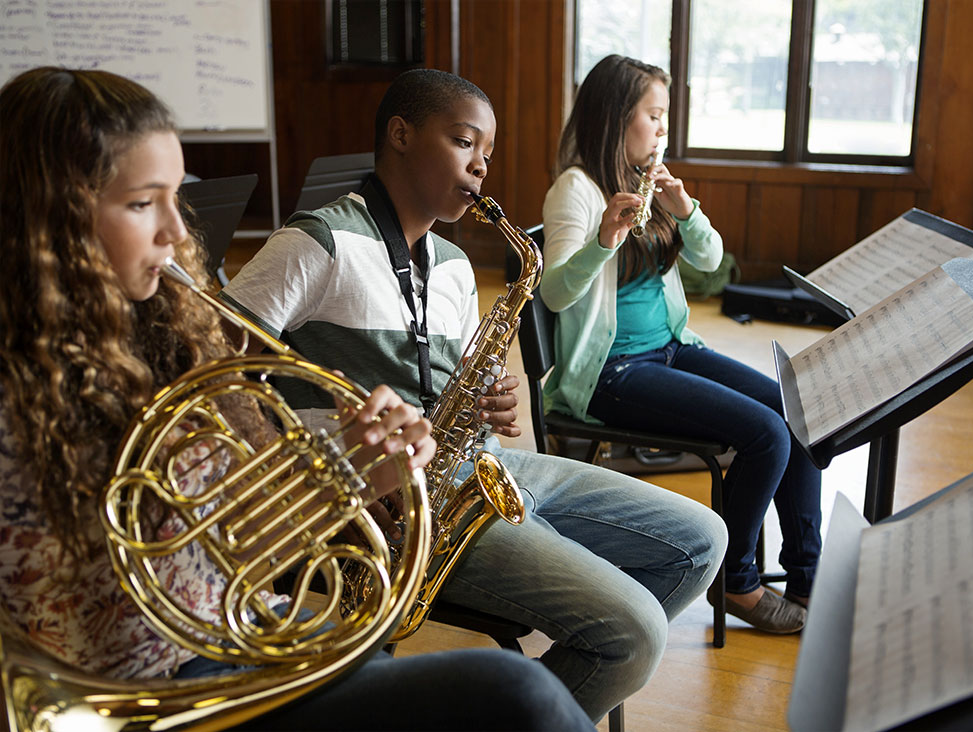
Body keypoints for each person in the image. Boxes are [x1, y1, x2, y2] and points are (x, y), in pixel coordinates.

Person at [0, 66, 596, 732]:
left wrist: (360, 473)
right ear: (50, 216)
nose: (178, 231)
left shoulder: (175, 333)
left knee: (514, 694)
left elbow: (250, 537)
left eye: (177, 197)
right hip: (136, 695)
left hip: (236, 649)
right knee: (516, 692)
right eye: (144, 204)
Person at [220, 68, 728, 722]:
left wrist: (489, 400)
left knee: (701, 539)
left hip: (476, 470)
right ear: (400, 135)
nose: (480, 167)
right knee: (634, 632)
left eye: (487, 155)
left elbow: (461, 384)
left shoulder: (454, 264)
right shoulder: (318, 241)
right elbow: (209, 364)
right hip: (390, 506)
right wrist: (310, 457)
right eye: (464, 143)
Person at [540, 55, 823, 635]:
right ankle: (736, 580)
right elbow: (554, 295)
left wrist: (685, 211)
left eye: (665, 115)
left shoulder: (652, 181)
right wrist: (602, 241)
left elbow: (711, 260)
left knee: (797, 412)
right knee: (765, 434)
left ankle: (807, 577)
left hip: (668, 347)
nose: (664, 128)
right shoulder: (576, 189)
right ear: (618, 117)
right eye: (654, 115)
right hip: (610, 372)